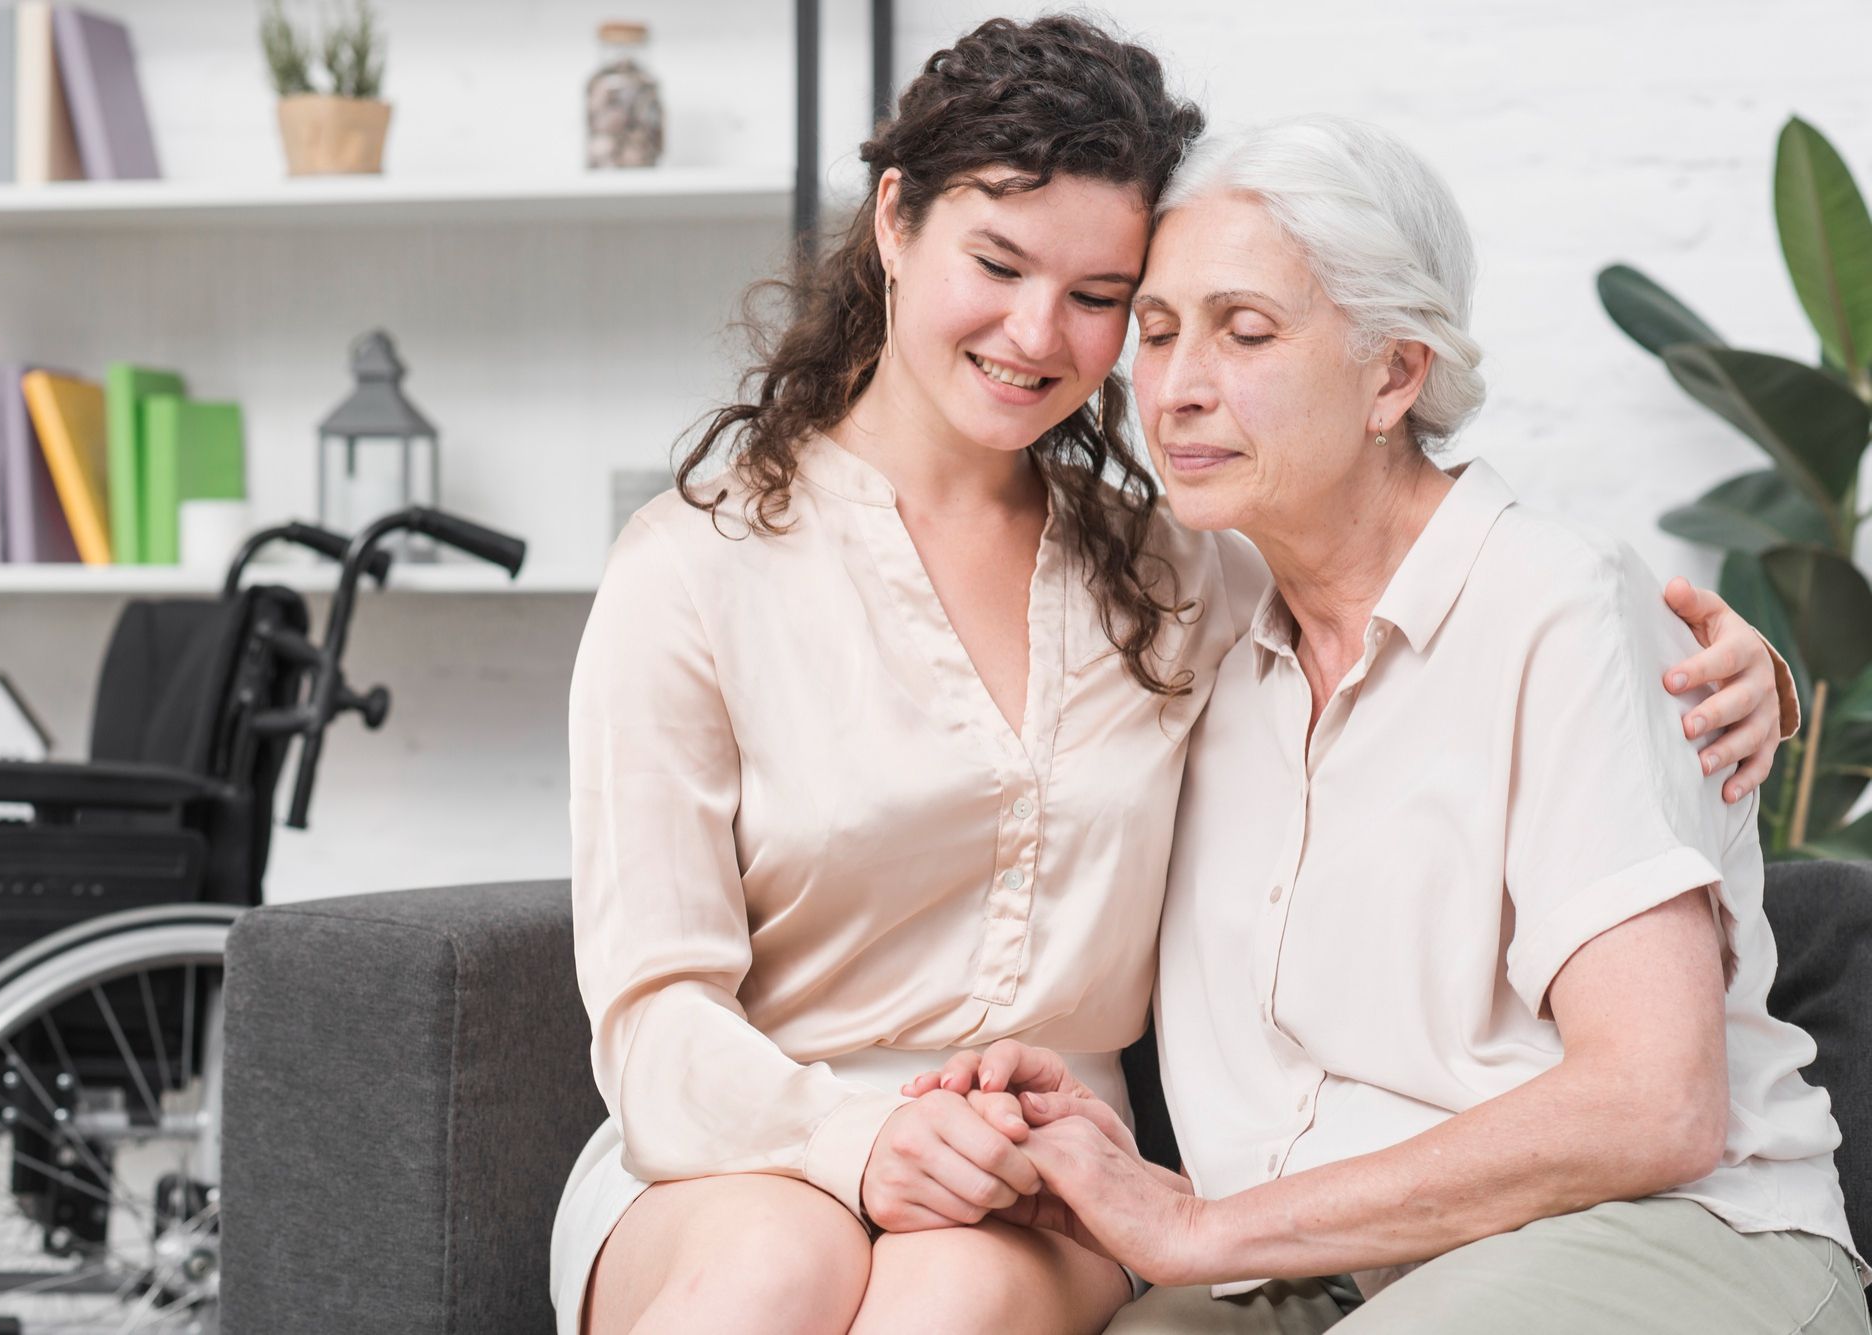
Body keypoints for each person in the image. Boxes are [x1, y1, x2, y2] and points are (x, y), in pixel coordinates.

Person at [557, 20, 1794, 1334]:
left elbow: (1414, 592)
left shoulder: (1179, 567)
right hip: (740, 1137)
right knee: (766, 1276)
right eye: (997, 260)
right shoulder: (690, 565)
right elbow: (652, 1011)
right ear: (895, 224)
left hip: (1043, 1161)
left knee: (952, 1299)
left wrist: (1728, 664)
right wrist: (857, 1140)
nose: (1039, 331)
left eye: (1101, 298)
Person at [916, 115, 1863, 1334]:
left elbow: (1652, 1104)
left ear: (1395, 374)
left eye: (1245, 331)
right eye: (1154, 333)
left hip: (1668, 1241)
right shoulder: (1192, 619)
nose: (1177, 388)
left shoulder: (1552, 604)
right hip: (1343, 1272)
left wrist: (1195, 1227)